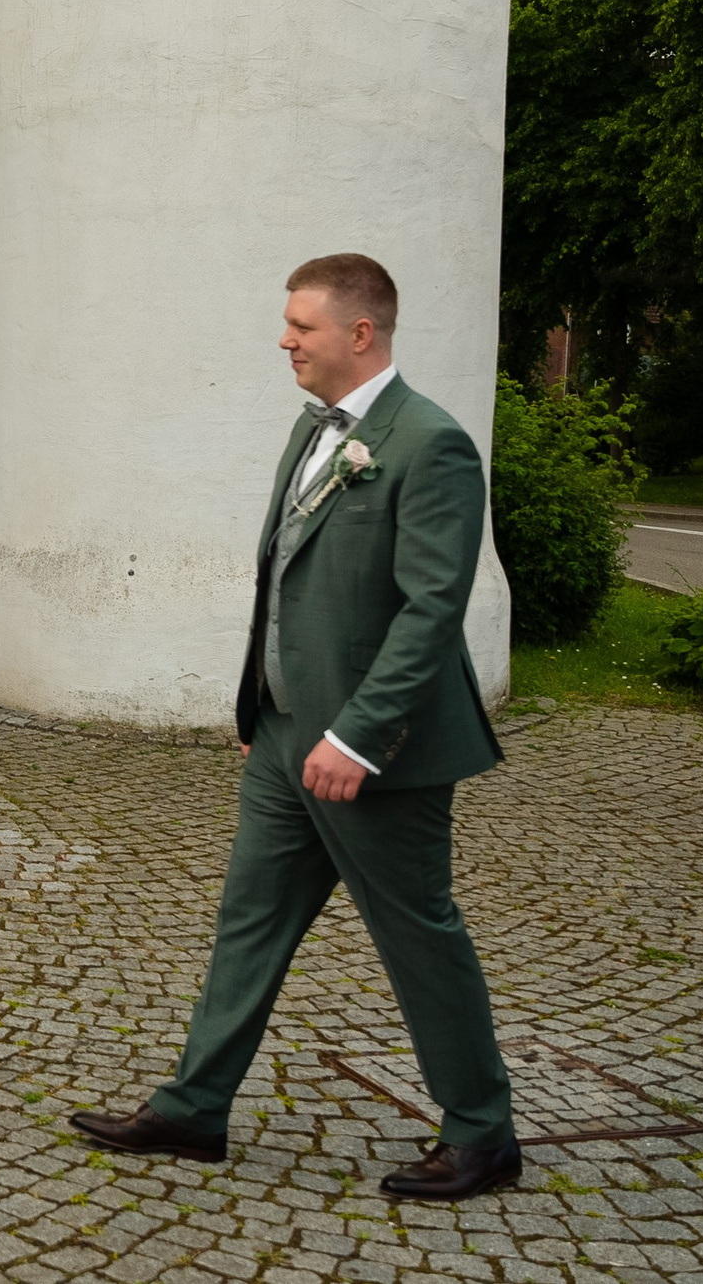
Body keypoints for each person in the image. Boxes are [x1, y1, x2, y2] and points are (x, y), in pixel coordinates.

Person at [71, 254, 520, 1201]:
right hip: (281, 734)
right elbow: (286, 579)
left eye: (301, 326)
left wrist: (357, 736)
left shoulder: (429, 443)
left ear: (361, 333)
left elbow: (432, 609)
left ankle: (483, 1134)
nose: (285, 340)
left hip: (371, 752)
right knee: (250, 923)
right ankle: (195, 1107)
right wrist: (259, 703)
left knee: (417, 934)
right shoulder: (313, 430)